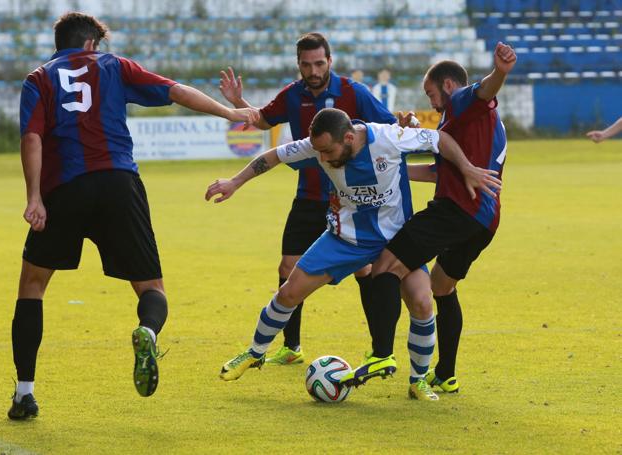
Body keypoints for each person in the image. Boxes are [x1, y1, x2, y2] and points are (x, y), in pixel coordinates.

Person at [9, 11, 259, 420]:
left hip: (64, 189)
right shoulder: (113, 65)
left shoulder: (38, 78)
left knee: (32, 285)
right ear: (92, 44)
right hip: (118, 184)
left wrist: (34, 197)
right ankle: (148, 330)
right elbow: (176, 91)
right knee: (150, 287)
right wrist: (230, 114)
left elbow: (31, 136)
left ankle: (24, 394)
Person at [206, 108, 502, 400]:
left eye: (327, 151)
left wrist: (466, 168)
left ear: (349, 137)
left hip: (395, 241)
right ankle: (255, 353)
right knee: (288, 294)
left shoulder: (389, 138)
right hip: (344, 239)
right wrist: (234, 181)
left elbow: (441, 139)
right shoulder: (318, 145)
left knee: (423, 304)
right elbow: (272, 156)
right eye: (318, 151)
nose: (321, 158)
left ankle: (418, 381)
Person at [218, 33, 396, 366]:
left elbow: (389, 130)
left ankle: (379, 350)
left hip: (352, 200)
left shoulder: (352, 92)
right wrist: (237, 103)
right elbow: (262, 120)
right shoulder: (293, 94)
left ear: (330, 61)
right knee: (288, 267)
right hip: (309, 194)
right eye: (305, 64)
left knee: (365, 269)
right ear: (298, 64)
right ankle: (292, 347)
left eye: (318, 63)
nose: (313, 70)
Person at [361, 42, 516, 395]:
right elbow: (437, 171)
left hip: (457, 210)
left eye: (431, 93)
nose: (431, 102)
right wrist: (392, 167)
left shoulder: (462, 100)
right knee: (443, 287)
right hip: (484, 221)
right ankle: (445, 373)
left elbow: (485, 91)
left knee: (385, 266)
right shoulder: (470, 123)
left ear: (447, 85)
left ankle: (381, 354)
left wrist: (500, 73)